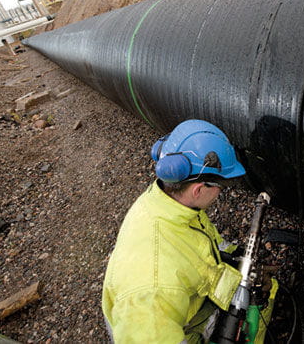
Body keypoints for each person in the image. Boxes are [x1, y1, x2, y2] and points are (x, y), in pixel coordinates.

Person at [102, 119, 247, 343]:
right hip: (163, 328)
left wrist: (237, 256)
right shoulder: (153, 289)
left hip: (175, 302)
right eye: (221, 186)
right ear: (199, 189)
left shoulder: (169, 202)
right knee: (249, 313)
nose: (220, 193)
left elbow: (201, 239)